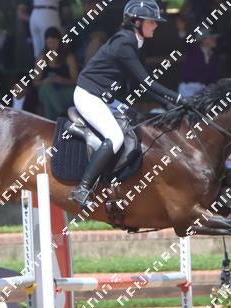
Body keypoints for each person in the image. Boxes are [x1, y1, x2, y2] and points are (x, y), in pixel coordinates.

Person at [70, 0, 190, 209]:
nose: (156, 25)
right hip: (88, 95)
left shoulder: (137, 43)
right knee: (115, 137)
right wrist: (178, 98)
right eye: (151, 21)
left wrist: (168, 104)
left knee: (134, 121)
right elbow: (147, 82)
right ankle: (83, 189)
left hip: (105, 97)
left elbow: (141, 85)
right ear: (136, 22)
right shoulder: (125, 43)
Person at [35, 27, 78, 120]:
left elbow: (76, 81)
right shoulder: (42, 57)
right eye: (49, 43)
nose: (51, 46)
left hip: (65, 91)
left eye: (54, 42)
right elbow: (35, 82)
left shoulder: (68, 57)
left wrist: (61, 80)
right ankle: (60, 112)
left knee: (47, 99)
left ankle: (51, 123)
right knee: (46, 88)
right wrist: (46, 81)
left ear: (59, 41)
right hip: (47, 89)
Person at [178, 32, 219, 98]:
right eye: (211, 38)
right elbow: (185, 42)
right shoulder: (194, 50)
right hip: (188, 87)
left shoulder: (214, 57)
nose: (214, 40)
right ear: (203, 40)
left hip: (203, 89)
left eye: (214, 38)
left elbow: (213, 78)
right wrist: (181, 30)